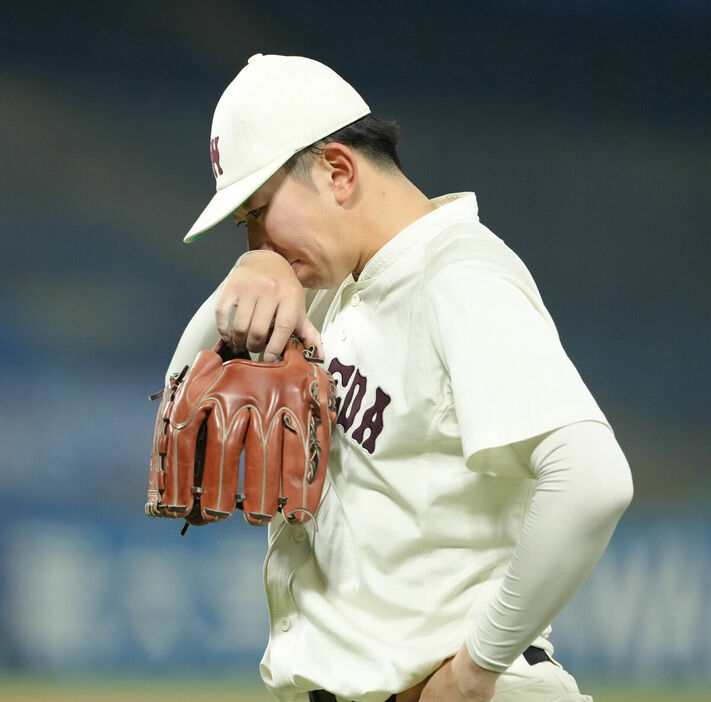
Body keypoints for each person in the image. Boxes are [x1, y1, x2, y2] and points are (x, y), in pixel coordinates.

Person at [166, 54, 633, 702]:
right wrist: (247, 275)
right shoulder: (330, 293)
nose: (255, 241)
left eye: (258, 212)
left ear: (336, 171)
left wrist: (477, 667)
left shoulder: (459, 275)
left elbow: (592, 478)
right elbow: (179, 398)